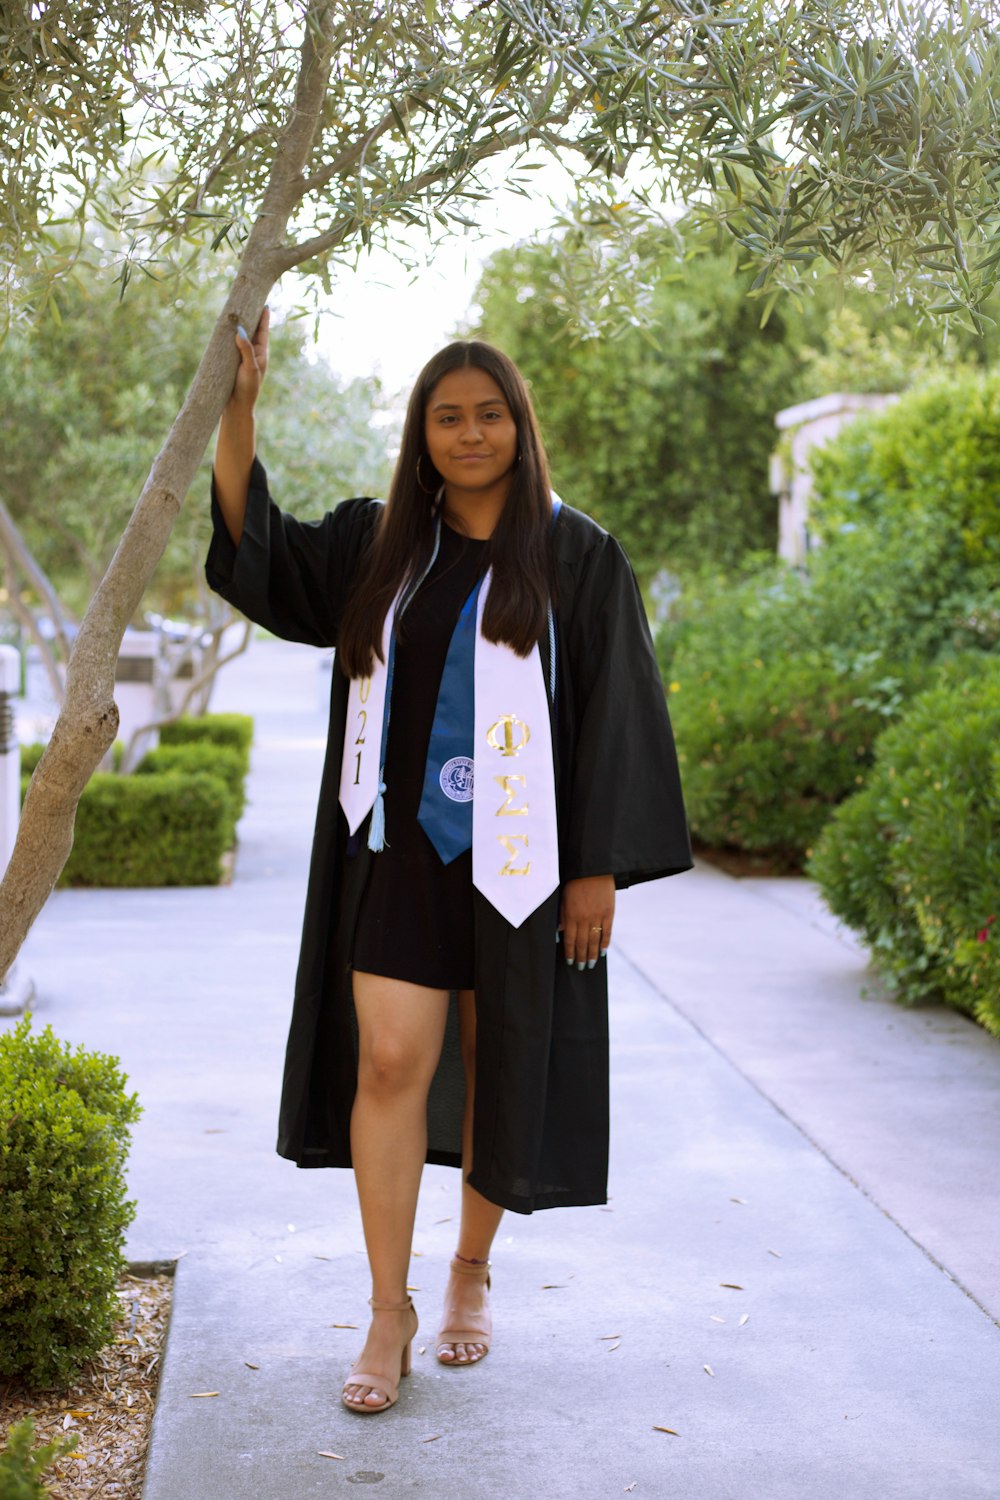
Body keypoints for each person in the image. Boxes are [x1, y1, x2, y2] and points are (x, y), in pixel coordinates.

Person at [207, 309, 692, 1416]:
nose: (468, 434)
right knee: (388, 1062)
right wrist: (240, 409)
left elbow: (617, 711)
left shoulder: (577, 554)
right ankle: (390, 1308)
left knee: (497, 1058)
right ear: (421, 433)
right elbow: (256, 546)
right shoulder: (381, 543)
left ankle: (469, 1269)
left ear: (519, 425)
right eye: (446, 417)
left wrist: (596, 868)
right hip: (398, 851)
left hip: (521, 862)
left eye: (488, 415)